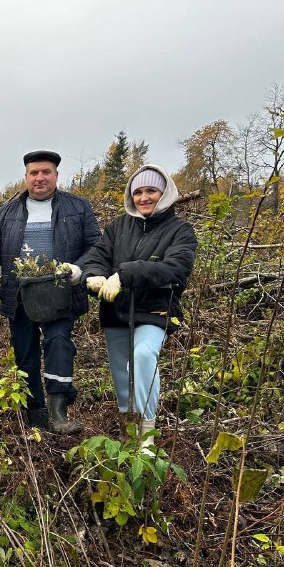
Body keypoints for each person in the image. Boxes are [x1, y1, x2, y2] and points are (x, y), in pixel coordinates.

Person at [0, 150, 101, 432]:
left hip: (60, 295)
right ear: (26, 177)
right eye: (34, 173)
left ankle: (58, 410)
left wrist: (79, 269)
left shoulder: (77, 207)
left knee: (59, 345)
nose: (40, 178)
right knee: (25, 354)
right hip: (20, 297)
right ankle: (35, 413)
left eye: (46, 172)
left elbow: (97, 246)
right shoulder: (7, 214)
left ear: (56, 176)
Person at [81, 165, 197, 447]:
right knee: (120, 371)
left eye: (151, 191)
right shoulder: (117, 227)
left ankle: (146, 435)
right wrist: (93, 275)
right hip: (115, 310)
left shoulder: (180, 230)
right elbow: (96, 255)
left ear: (165, 193)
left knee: (144, 355)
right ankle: (127, 428)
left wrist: (125, 274)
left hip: (155, 311)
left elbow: (176, 269)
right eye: (138, 192)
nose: (143, 197)